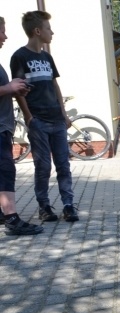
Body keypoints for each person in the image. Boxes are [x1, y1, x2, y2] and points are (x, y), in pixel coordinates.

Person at [11, 10, 79, 223]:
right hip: (38, 121)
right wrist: (29, 118)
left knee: (63, 164)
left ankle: (68, 205)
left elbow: (55, 85)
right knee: (43, 166)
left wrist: (64, 114)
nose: (52, 32)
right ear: (37, 31)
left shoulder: (47, 57)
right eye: (48, 28)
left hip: (57, 121)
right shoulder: (20, 57)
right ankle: (44, 207)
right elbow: (19, 90)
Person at [0, 15, 40, 235]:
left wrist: (15, 88)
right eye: (2, 31)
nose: (5, 36)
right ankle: (12, 218)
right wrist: (8, 88)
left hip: (3, 126)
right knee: (6, 170)